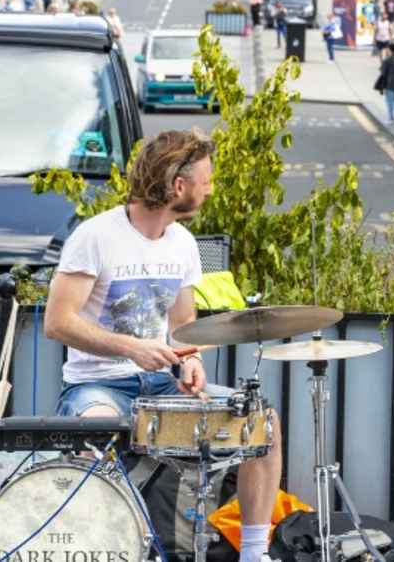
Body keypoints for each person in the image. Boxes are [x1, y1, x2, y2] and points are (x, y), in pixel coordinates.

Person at [43, 130, 281, 562]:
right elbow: (57, 323)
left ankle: (252, 554)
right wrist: (131, 348)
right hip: (98, 386)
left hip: (162, 387)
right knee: (98, 431)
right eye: (206, 180)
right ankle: (105, 549)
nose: (210, 189)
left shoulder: (183, 243)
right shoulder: (95, 237)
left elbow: (184, 324)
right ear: (178, 185)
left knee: (262, 423)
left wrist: (191, 362)